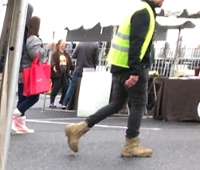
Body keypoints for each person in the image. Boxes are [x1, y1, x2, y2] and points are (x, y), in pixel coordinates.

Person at [65, 0, 162, 158]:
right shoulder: (144, 12)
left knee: (116, 104)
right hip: (131, 67)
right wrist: (136, 71)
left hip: (119, 64)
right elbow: (136, 43)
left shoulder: (136, 8)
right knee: (138, 104)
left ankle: (78, 128)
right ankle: (131, 144)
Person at [12, 16, 44, 134]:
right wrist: (45, 49)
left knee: (23, 97)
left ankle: (20, 125)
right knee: (34, 97)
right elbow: (36, 55)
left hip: (22, 72)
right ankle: (15, 115)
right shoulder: (34, 39)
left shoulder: (24, 38)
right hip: (30, 73)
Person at [63, 39, 99, 109]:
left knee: (72, 86)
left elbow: (74, 55)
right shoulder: (96, 44)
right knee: (87, 88)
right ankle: (84, 104)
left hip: (78, 68)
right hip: (89, 69)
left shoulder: (80, 43)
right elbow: (96, 60)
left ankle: (65, 103)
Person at [49, 40, 72, 108]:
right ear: (59, 45)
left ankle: (63, 101)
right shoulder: (55, 54)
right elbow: (52, 62)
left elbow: (70, 63)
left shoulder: (66, 54)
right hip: (57, 73)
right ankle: (52, 102)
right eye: (62, 44)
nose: (64, 45)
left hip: (65, 73)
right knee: (55, 88)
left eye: (64, 44)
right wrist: (54, 67)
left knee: (66, 87)